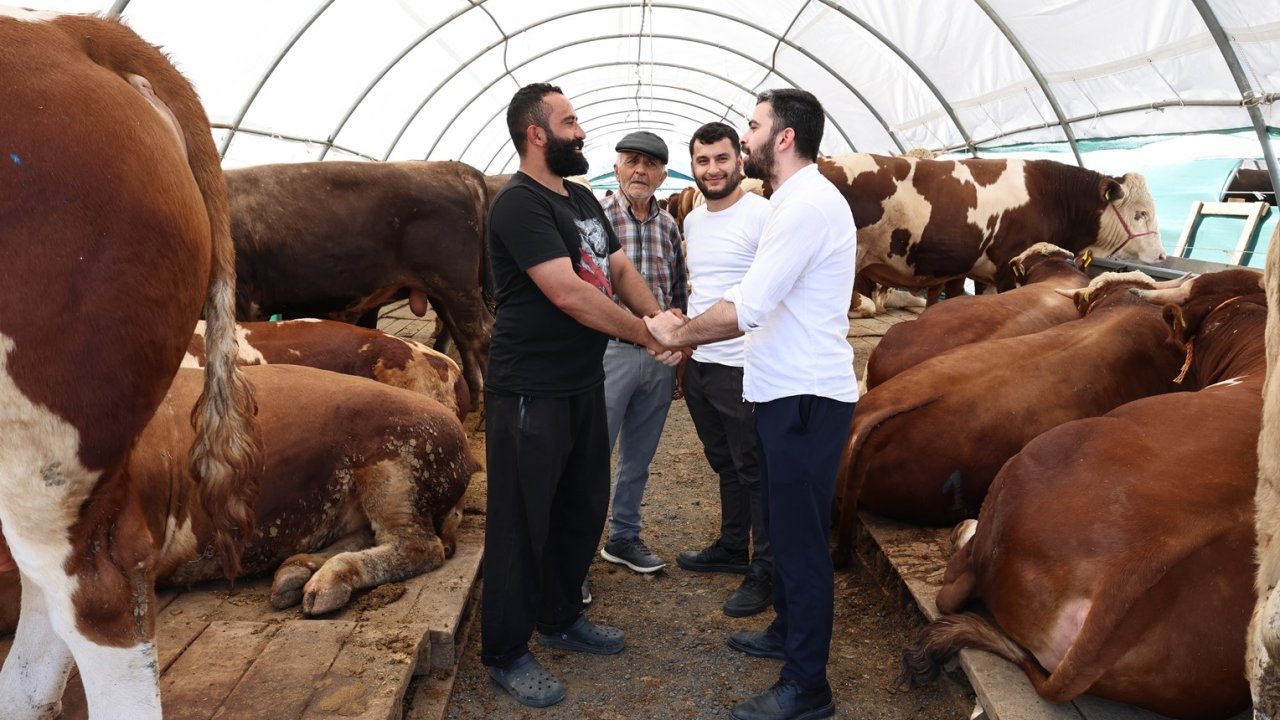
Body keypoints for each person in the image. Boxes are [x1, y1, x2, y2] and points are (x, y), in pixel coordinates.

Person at [646, 89, 857, 720]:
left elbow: (750, 305)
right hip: (782, 390)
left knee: (799, 543)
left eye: (754, 126)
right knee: (786, 525)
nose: (748, 136)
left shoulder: (804, 206)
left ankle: (807, 686)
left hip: (805, 396)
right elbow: (749, 292)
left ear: (783, 137)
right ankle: (787, 634)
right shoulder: (793, 200)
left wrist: (676, 335)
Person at [481, 82, 681, 709]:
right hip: (528, 390)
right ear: (536, 133)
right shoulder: (518, 204)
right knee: (520, 520)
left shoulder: (583, 198)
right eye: (570, 122)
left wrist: (659, 319)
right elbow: (567, 292)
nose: (582, 132)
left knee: (581, 504)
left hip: (579, 382)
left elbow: (619, 271)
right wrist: (646, 336)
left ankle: (561, 617)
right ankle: (507, 651)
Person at [675, 121, 776, 618]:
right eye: (702, 160)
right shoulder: (693, 219)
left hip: (745, 367)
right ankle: (734, 547)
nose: (712, 169)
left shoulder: (764, 215)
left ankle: (766, 569)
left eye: (721, 158)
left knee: (755, 470)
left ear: (740, 160)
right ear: (692, 166)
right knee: (726, 463)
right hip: (704, 364)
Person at [597, 131, 688, 575]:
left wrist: (679, 354)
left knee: (638, 457)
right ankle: (575, 554)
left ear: (662, 175)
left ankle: (624, 536)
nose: (640, 170)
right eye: (631, 161)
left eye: (650, 164)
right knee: (592, 454)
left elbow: (676, 293)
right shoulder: (595, 219)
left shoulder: (669, 225)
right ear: (615, 169)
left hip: (658, 358)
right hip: (608, 353)